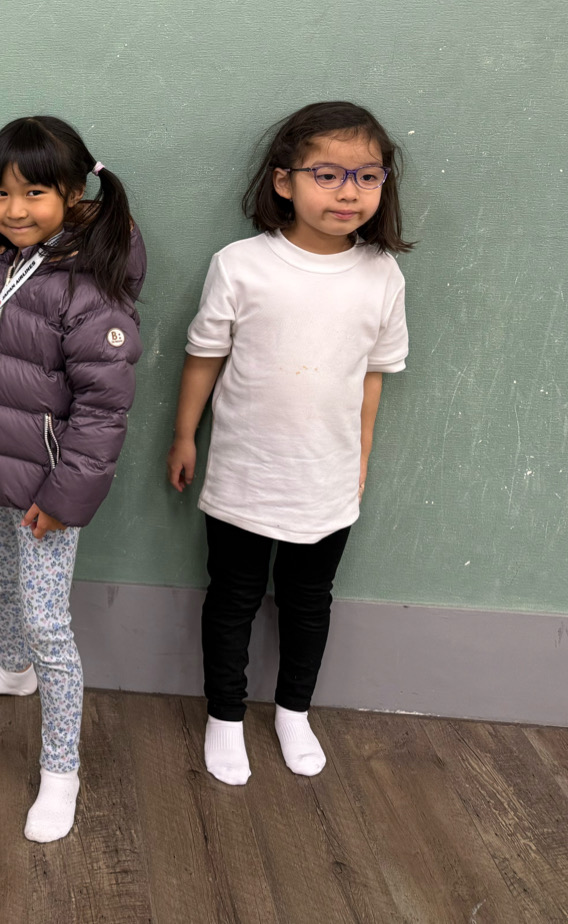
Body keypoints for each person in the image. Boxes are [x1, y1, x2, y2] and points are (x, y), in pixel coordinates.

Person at [167, 101, 411, 785]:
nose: (348, 192)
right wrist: (184, 435)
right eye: (327, 174)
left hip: (327, 477)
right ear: (284, 181)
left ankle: (294, 710)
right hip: (245, 472)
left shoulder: (382, 276)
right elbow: (204, 357)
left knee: (309, 600)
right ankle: (224, 715)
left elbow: (372, 377)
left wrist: (360, 456)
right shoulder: (242, 265)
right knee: (233, 596)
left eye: (367, 176)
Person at [0, 116, 145, 844]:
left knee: (48, 623)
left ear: (76, 192)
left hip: (47, 494)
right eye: (1, 192)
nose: (15, 208)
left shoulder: (91, 289)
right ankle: (12, 671)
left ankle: (62, 770)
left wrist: (62, 501)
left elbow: (104, 412)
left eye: (34, 192)